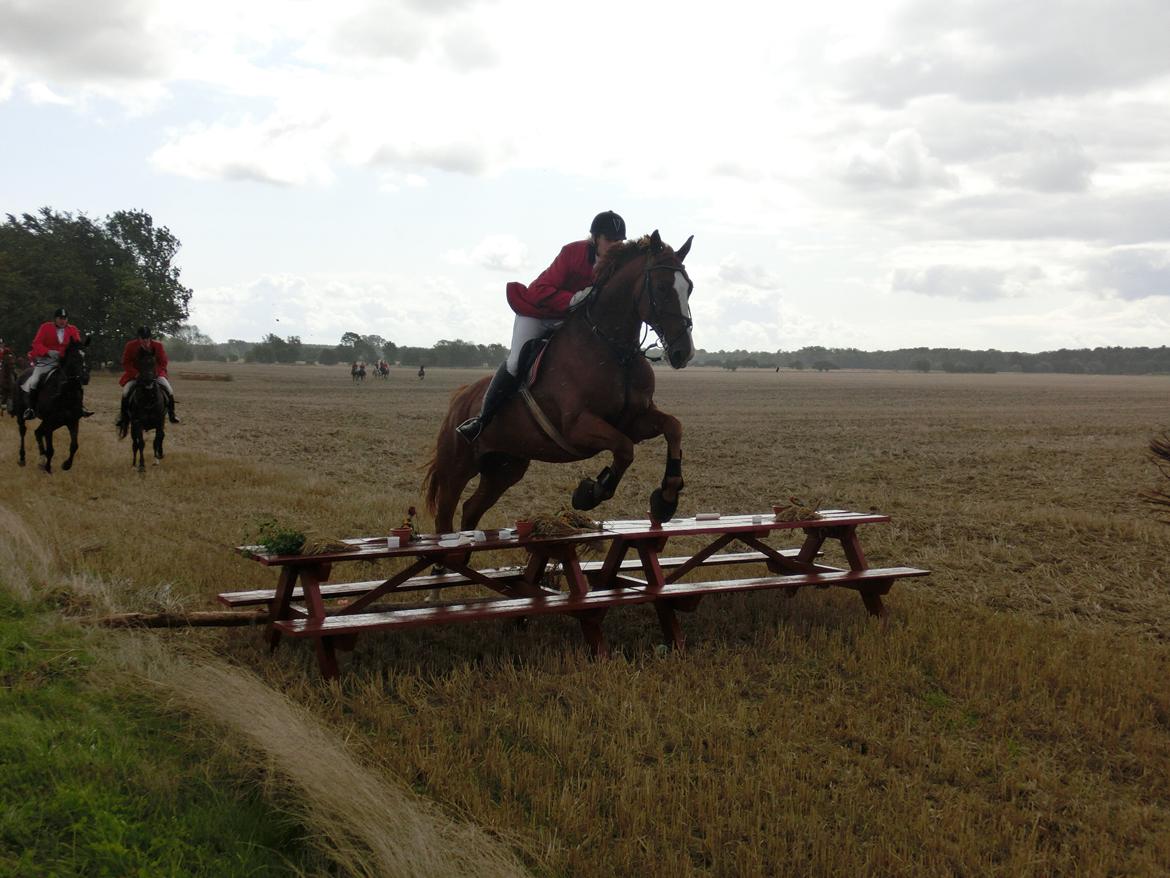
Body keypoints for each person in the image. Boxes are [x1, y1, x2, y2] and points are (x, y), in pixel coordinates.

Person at [455, 210, 627, 442]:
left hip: (568, 321)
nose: (615, 245)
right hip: (537, 313)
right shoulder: (572, 253)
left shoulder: (617, 264)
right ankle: (481, 420)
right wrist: (573, 298)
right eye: (610, 240)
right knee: (516, 362)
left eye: (620, 241)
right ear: (596, 238)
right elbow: (540, 290)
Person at [21, 307, 94, 420]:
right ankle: (31, 409)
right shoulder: (45, 327)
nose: (62, 321)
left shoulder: (73, 329)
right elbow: (36, 344)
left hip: (64, 361)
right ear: (55, 319)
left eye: (65, 318)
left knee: (76, 380)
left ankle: (80, 407)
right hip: (47, 360)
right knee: (35, 380)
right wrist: (48, 352)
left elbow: (76, 344)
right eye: (60, 318)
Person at [115, 326, 180, 427]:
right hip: (136, 375)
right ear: (139, 338)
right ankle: (123, 417)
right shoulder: (130, 346)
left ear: (150, 337)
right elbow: (126, 363)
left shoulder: (158, 346)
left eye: (147, 338)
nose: (145, 341)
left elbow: (163, 362)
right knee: (126, 391)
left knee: (169, 389)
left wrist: (154, 374)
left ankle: (172, 414)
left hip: (155, 374)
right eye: (142, 339)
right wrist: (136, 374)